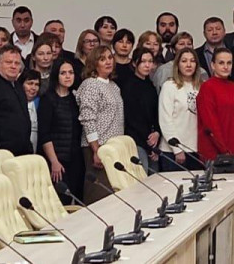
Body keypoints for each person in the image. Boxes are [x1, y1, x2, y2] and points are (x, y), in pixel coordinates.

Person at [76, 46, 126, 202]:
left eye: (110, 58)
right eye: (102, 59)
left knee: (115, 193)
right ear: (94, 63)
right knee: (99, 193)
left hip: (114, 147)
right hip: (98, 146)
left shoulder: (113, 86)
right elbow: (87, 119)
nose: (108, 62)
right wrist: (96, 149)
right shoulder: (90, 84)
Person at [39, 61, 84, 203]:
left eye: (71, 73)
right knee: (61, 200)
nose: (68, 76)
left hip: (75, 157)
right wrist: (54, 161)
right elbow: (44, 134)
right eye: (63, 73)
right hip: (57, 159)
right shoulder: (48, 99)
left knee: (76, 198)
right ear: (56, 75)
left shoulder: (75, 98)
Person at [158, 48, 204, 171]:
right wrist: (177, 149)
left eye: (192, 61)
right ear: (177, 64)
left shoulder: (202, 86)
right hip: (173, 151)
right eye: (184, 61)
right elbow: (165, 119)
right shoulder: (169, 86)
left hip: (196, 150)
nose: (189, 65)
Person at [197, 47, 234, 161]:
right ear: (213, 65)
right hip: (214, 152)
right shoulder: (207, 87)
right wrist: (224, 150)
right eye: (221, 63)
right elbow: (210, 123)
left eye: (229, 63)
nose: (226, 67)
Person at [122, 47, 161, 172]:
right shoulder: (129, 85)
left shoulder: (150, 85)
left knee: (155, 178)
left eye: (150, 61)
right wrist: (149, 144)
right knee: (141, 177)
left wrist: (157, 133)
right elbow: (132, 119)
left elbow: (155, 114)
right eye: (143, 61)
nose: (147, 65)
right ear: (134, 63)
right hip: (137, 141)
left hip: (152, 140)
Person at [22, 70, 41, 152]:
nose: (33, 88)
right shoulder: (13, 102)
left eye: (37, 84)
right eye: (30, 83)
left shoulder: (42, 103)